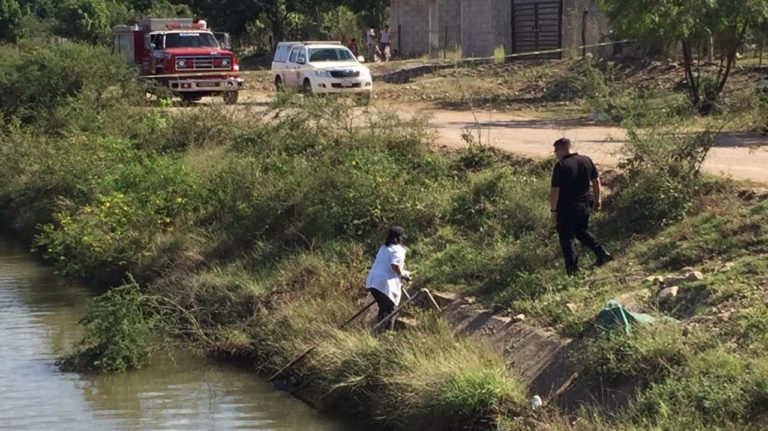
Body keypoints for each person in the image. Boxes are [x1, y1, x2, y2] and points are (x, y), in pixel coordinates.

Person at [550, 138, 612, 275]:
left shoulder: (561, 165)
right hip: (585, 204)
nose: (555, 154)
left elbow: (555, 190)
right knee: (581, 231)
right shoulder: (586, 160)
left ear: (562, 149)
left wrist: (553, 211)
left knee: (566, 239)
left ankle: (572, 271)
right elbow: (596, 182)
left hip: (566, 207)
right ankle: (602, 252)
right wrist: (598, 200)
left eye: (556, 151)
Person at [365, 226, 410, 331]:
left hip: (373, 281)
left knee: (383, 308)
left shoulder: (383, 248)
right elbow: (394, 266)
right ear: (398, 238)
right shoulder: (399, 249)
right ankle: (387, 336)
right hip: (384, 283)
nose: (403, 240)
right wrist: (403, 275)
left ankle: (380, 332)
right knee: (391, 310)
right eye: (402, 238)